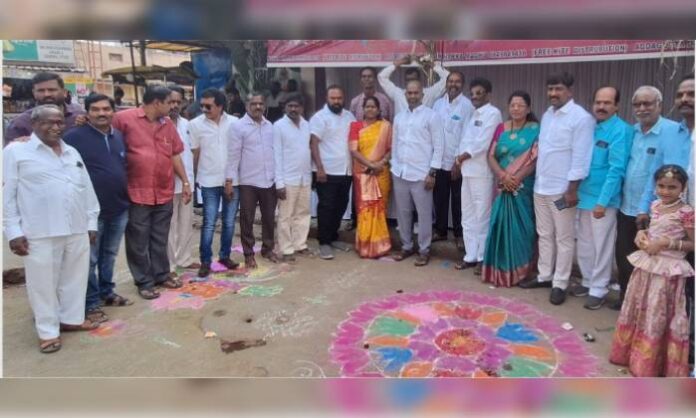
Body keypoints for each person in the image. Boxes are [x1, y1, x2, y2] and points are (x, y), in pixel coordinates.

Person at [3, 105, 101, 354]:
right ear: (34, 124)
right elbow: (7, 195)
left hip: (76, 227)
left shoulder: (71, 152)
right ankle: (47, 332)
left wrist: (91, 223)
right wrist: (13, 232)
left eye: (59, 122)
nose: (55, 127)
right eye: (48, 122)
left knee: (74, 278)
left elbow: (86, 188)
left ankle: (71, 319)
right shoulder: (16, 152)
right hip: (39, 230)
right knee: (42, 283)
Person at [518, 72, 595, 306]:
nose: (553, 93)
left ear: (569, 91)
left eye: (558, 89)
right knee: (544, 234)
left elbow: (581, 157)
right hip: (541, 186)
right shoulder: (547, 115)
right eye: (550, 89)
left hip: (562, 190)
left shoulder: (581, 118)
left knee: (563, 238)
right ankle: (544, 276)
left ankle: (560, 283)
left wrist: (572, 190)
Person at [609, 165, 694, 377]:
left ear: (682, 187)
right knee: (640, 309)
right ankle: (633, 356)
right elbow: (654, 227)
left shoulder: (687, 212)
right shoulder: (655, 205)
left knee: (657, 315)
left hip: (668, 271)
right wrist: (642, 234)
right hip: (648, 264)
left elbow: (693, 243)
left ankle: (654, 364)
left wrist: (667, 243)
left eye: (672, 187)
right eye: (661, 186)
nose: (665, 191)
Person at [112, 85, 192, 300]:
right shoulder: (123, 119)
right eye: (169, 102)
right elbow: (104, 138)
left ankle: (161, 274)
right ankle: (144, 281)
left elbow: (175, 154)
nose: (173, 106)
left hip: (163, 190)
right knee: (138, 240)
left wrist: (185, 182)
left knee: (160, 238)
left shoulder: (167, 125)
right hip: (137, 191)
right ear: (157, 103)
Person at [63, 93, 132, 325]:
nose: (102, 113)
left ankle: (107, 292)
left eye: (106, 109)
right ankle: (90, 304)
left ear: (113, 111)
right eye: (95, 109)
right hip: (90, 212)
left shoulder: (118, 136)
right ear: (87, 113)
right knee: (88, 260)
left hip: (119, 207)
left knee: (109, 255)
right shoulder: (73, 138)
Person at [615, 86, 684, 310]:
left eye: (648, 103)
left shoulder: (673, 132)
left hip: (658, 211)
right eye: (637, 104)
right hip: (627, 206)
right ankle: (627, 301)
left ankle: (650, 308)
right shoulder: (631, 132)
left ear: (659, 105)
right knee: (625, 256)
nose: (642, 109)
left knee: (655, 260)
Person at [571, 86, 632, 310]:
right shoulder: (591, 128)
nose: (601, 107)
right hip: (583, 196)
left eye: (607, 103)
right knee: (585, 243)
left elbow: (616, 169)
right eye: (598, 102)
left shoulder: (620, 130)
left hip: (603, 202)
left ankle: (599, 288)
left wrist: (602, 202)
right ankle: (587, 281)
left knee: (602, 246)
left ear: (617, 105)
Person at [481, 91, 540, 287]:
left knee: (524, 229)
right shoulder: (501, 128)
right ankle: (499, 270)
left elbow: (535, 158)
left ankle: (521, 271)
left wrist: (516, 178)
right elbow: (490, 155)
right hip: (503, 184)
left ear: (528, 108)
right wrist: (503, 176)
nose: (516, 109)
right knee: (499, 225)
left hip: (523, 187)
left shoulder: (536, 130)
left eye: (520, 105)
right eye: (513, 105)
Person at [391, 80, 445, 266]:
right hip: (400, 173)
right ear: (405, 95)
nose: (412, 96)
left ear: (422, 95)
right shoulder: (399, 118)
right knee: (403, 213)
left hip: (422, 174)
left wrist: (432, 173)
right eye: (409, 93)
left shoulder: (432, 116)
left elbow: (439, 147)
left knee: (424, 215)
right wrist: (394, 166)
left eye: (416, 93)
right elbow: (395, 144)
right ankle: (406, 246)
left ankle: (424, 250)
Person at [189, 88, 241, 277]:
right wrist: (193, 180)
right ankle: (205, 261)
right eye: (201, 105)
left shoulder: (235, 123)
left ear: (220, 106)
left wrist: (232, 178)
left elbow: (237, 153)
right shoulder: (195, 125)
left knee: (228, 222)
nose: (204, 109)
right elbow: (195, 153)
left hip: (232, 180)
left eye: (208, 106)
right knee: (209, 222)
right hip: (208, 180)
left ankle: (225, 256)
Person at [453, 77, 502, 274]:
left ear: (488, 94)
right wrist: (458, 160)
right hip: (467, 172)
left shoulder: (493, 113)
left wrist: (461, 157)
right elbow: (464, 140)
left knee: (482, 216)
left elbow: (483, 142)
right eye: (472, 94)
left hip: (482, 172)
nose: (475, 97)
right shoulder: (473, 114)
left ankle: (483, 257)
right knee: (468, 215)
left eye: (479, 93)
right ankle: (470, 256)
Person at [226, 92, 278, 268]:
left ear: (264, 106)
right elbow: (233, 156)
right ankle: (249, 253)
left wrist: (277, 178)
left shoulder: (270, 126)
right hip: (248, 180)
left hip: (268, 180)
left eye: (260, 103)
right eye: (254, 104)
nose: (258, 107)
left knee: (269, 218)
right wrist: (230, 181)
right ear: (247, 105)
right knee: (247, 218)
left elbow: (274, 153)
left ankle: (267, 249)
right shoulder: (238, 127)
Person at [309, 85, 357, 260]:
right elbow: (313, 143)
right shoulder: (319, 118)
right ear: (327, 99)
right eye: (333, 98)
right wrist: (319, 168)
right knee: (326, 207)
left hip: (346, 170)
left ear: (343, 99)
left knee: (341, 205)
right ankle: (324, 243)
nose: (336, 101)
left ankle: (333, 237)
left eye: (339, 98)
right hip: (326, 171)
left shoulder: (349, 116)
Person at [431, 71, 474, 250]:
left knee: (458, 200)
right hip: (439, 161)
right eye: (450, 81)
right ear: (446, 84)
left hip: (458, 162)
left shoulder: (467, 106)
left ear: (462, 84)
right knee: (439, 198)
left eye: (457, 81)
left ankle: (459, 234)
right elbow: (433, 133)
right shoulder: (437, 104)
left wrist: (458, 162)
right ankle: (440, 231)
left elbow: (467, 135)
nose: (453, 84)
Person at [349, 96, 393, 258]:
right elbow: (354, 150)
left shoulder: (386, 126)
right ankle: (365, 246)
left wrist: (380, 163)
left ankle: (379, 245)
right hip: (363, 174)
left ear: (379, 109)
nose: (370, 109)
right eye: (367, 106)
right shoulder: (355, 126)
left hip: (381, 172)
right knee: (365, 210)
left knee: (380, 208)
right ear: (362, 109)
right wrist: (371, 165)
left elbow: (390, 149)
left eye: (373, 107)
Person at [273, 94, 313, 263]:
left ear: (302, 108)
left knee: (303, 213)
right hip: (287, 179)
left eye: (297, 106)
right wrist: (279, 183)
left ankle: (300, 245)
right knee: (285, 216)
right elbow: (277, 155)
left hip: (305, 177)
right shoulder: (279, 126)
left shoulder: (306, 125)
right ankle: (286, 249)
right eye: (290, 106)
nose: (293, 109)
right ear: (285, 107)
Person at [166, 86, 199, 276]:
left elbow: (193, 151)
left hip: (187, 183)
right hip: (167, 184)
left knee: (186, 223)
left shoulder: (188, 125)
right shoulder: (158, 124)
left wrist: (191, 178)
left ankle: (184, 259)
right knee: (169, 226)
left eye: (178, 102)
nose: (174, 106)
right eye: (171, 102)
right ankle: (169, 264)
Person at [5, 72, 86, 145]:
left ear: (64, 92)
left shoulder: (79, 115)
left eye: (52, 90)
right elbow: (11, 154)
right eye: (41, 90)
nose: (47, 94)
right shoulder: (21, 122)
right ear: (33, 93)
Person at [378, 55, 449, 115]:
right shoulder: (398, 94)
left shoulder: (429, 93)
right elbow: (382, 76)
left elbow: (448, 77)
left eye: (413, 79)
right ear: (405, 81)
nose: (411, 82)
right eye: (408, 80)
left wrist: (431, 64)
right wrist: (398, 63)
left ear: (420, 80)